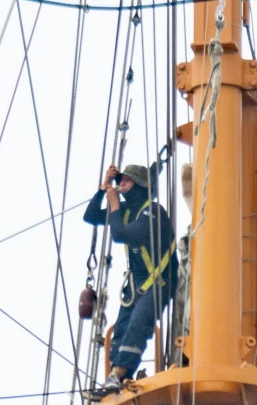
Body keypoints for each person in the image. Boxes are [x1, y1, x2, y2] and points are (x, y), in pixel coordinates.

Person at [84, 162, 178, 389]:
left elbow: (120, 235)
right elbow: (90, 216)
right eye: (119, 180)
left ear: (140, 185)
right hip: (136, 283)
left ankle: (117, 375)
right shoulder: (125, 211)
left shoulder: (153, 212)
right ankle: (119, 379)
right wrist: (102, 188)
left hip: (160, 281)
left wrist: (114, 204)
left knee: (138, 325)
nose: (120, 185)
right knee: (121, 332)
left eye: (126, 180)